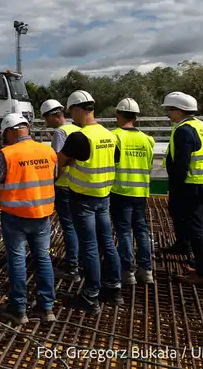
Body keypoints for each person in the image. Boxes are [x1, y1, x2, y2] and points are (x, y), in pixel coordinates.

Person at [0, 113, 57, 324]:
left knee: (17, 261)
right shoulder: (48, 151)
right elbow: (54, 176)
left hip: (14, 216)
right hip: (42, 214)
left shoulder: (8, 153)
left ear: (9, 131)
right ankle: (46, 308)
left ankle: (18, 310)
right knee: (43, 258)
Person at [60, 90, 122, 312]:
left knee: (89, 247)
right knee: (107, 242)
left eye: (72, 112)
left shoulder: (79, 136)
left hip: (83, 198)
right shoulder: (110, 135)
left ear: (77, 109)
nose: (72, 117)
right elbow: (113, 160)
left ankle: (90, 296)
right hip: (103, 196)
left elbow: (61, 162)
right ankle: (114, 289)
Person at [161, 91, 203, 285]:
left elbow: (181, 164)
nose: (168, 113)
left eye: (169, 110)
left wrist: (176, 188)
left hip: (192, 186)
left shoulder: (184, 130)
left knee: (196, 230)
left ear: (179, 112)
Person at [109, 98, 156, 286]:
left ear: (118, 115)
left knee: (124, 232)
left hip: (120, 191)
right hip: (141, 191)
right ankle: (147, 271)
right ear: (136, 117)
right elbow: (150, 165)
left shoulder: (115, 137)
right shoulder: (147, 140)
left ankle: (128, 272)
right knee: (142, 230)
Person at [41, 98, 81, 281]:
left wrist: (51, 182)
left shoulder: (60, 132)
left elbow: (59, 162)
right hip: (79, 184)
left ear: (52, 116)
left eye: (46, 119)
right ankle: (81, 261)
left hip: (64, 186)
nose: (46, 123)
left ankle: (72, 266)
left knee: (69, 226)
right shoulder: (77, 128)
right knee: (80, 226)